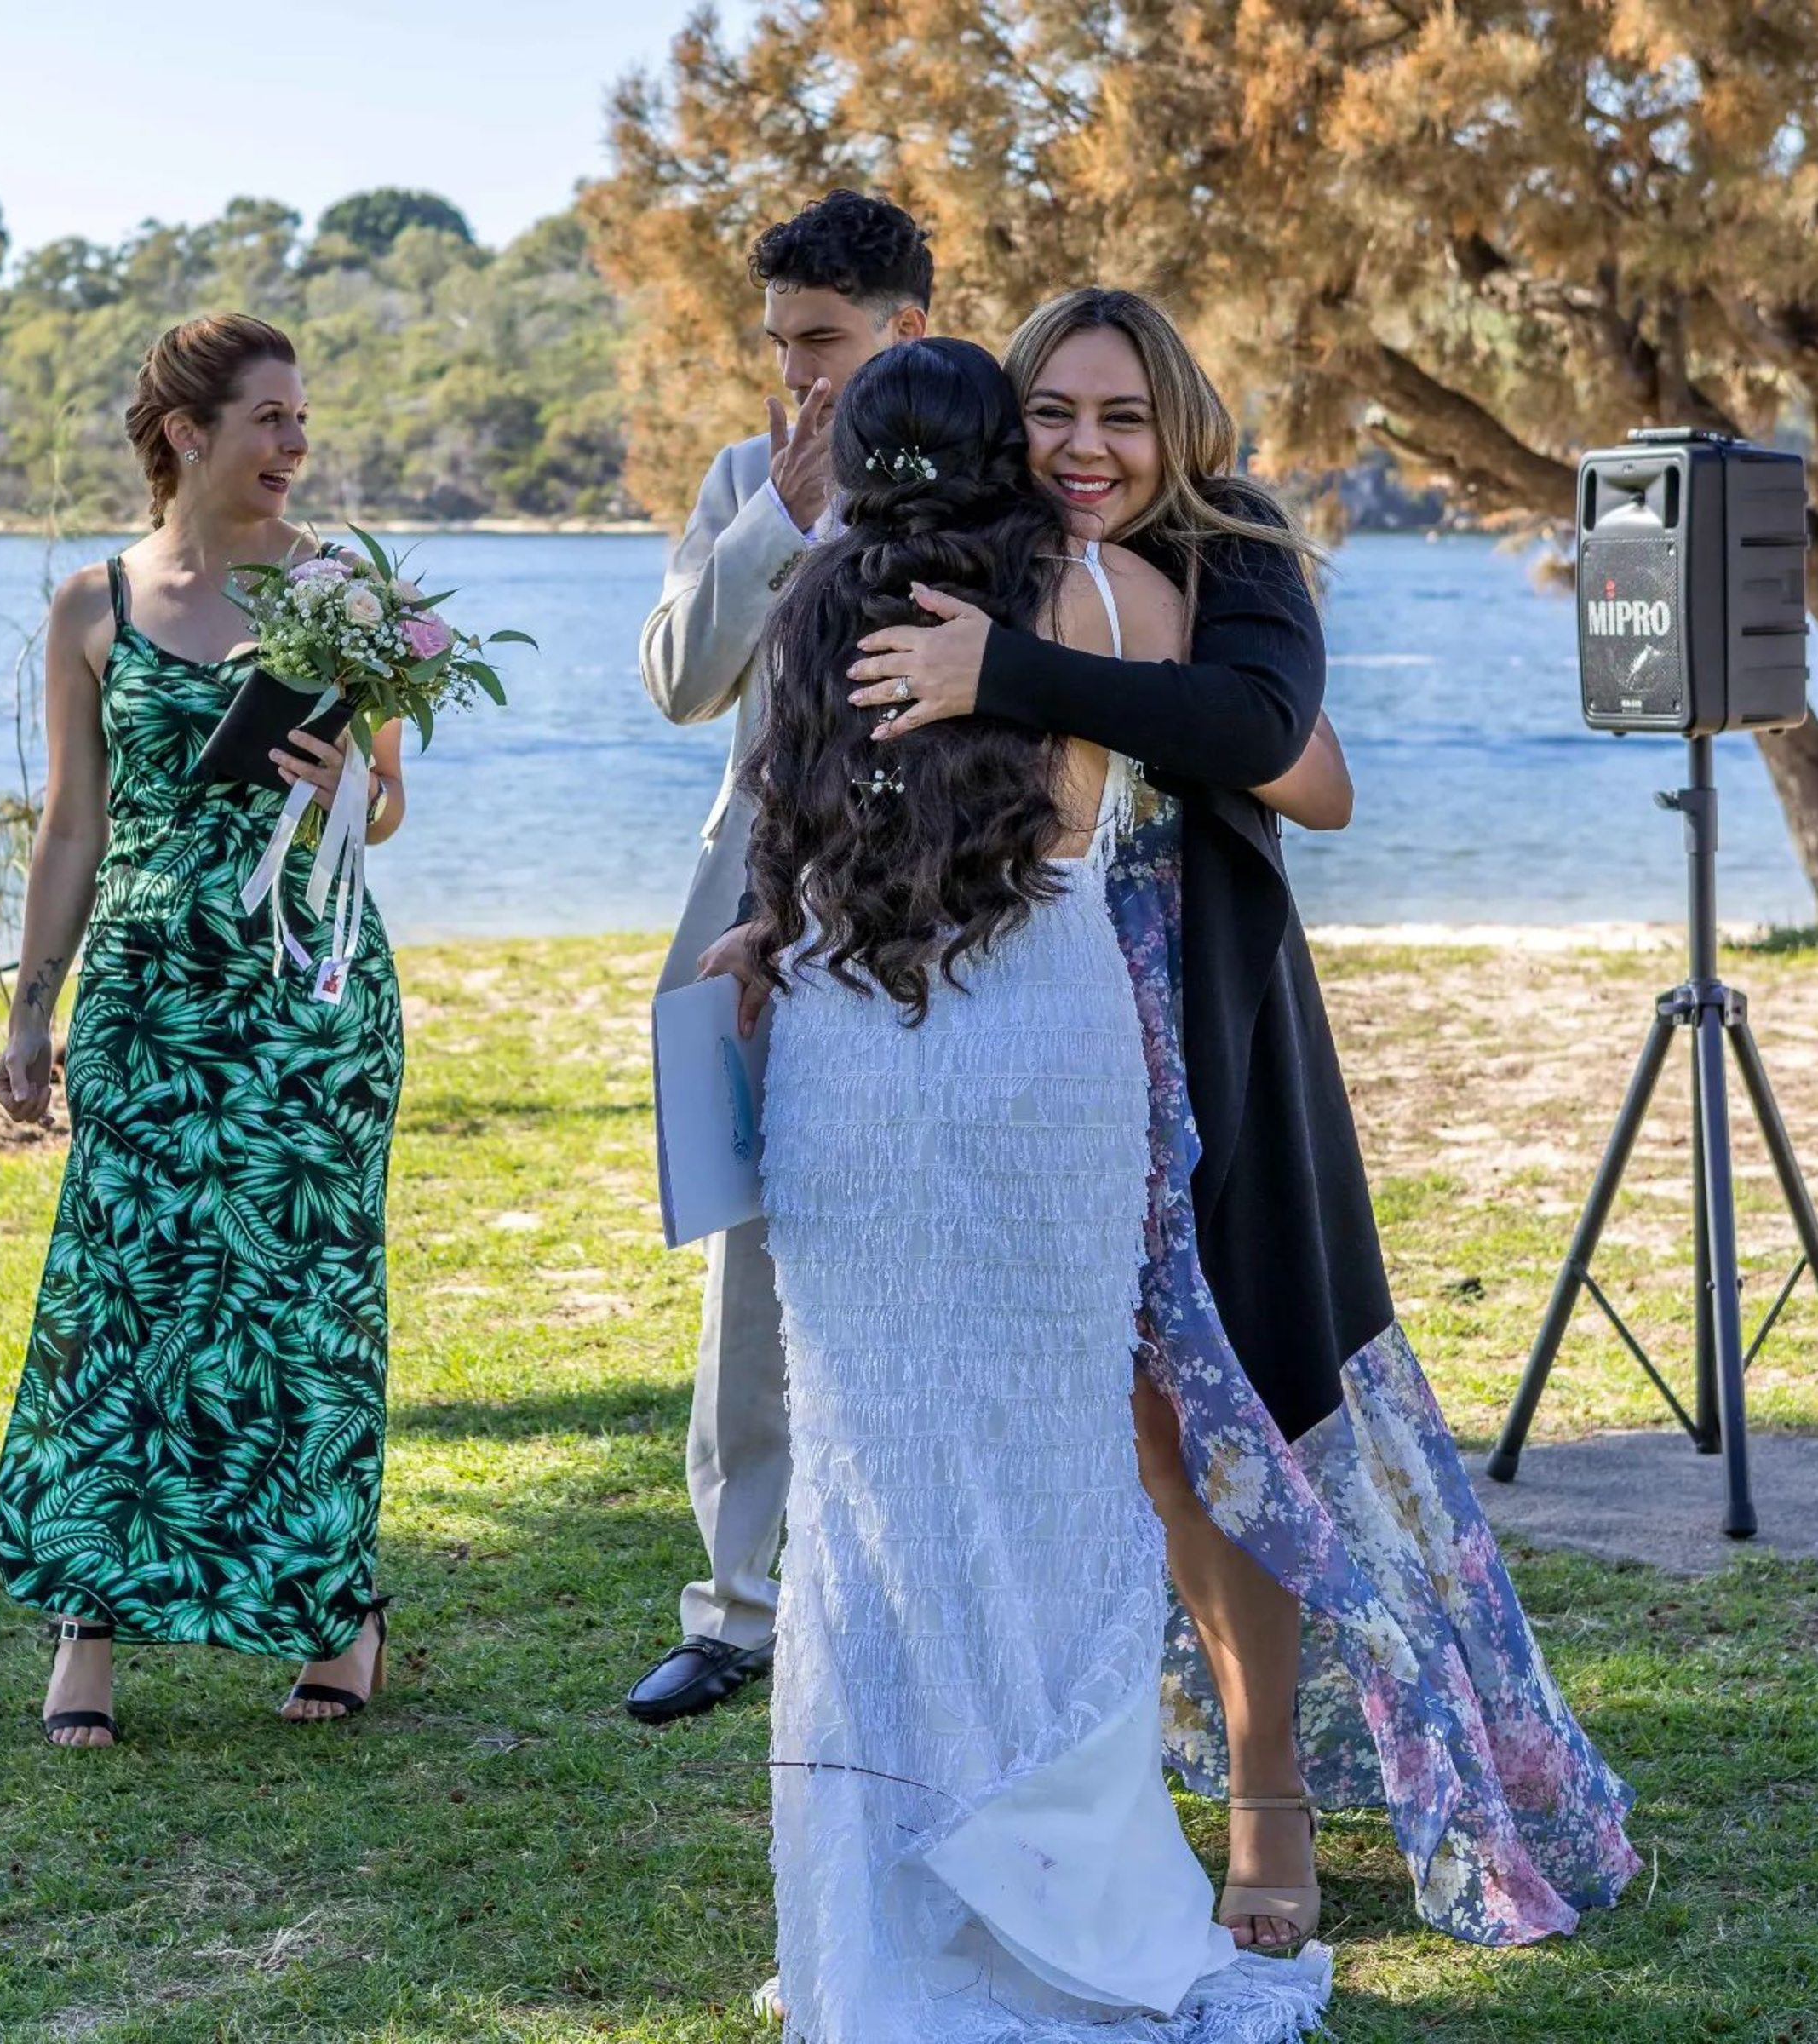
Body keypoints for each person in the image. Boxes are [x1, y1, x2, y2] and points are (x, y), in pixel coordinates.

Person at [840, 288, 1642, 1947]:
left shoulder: (1237, 549)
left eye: (1120, 416)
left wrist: (1015, 669)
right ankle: (1100, 1778)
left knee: (1241, 1426)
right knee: (1114, 1430)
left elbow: (1274, 736)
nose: (1083, 447)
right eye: (1052, 411)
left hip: (1211, 1035)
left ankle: (1269, 1788)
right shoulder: (975, 551)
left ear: (1178, 424)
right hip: (1021, 1040)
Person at [745, 332, 1330, 2044]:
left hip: (847, 1039)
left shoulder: (809, 602)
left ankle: (891, 1899)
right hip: (1040, 1045)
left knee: (874, 1465)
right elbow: (1267, 743)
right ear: (1008, 444)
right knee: (1055, 1453)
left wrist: (764, 934)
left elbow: (780, 832)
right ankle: (1070, 1887)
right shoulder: (1106, 594)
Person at [0, 314, 408, 1745]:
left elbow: (393, 807)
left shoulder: (345, 595)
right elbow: (72, 825)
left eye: (302, 420)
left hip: (307, 992)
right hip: (150, 999)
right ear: (187, 433)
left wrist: (350, 769)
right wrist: (29, 1015)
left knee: (306, 1307)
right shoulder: (92, 604)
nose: (297, 446)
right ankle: (87, 1634)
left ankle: (338, 1616)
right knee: (119, 1306)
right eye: (271, 420)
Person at [628, 190, 932, 1725]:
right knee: (749, 1254)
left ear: (908, 332)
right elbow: (683, 683)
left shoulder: (982, 478)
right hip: (756, 921)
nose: (801, 372)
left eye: (827, 340)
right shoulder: (746, 477)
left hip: (943, 920)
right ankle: (738, 1606)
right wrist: (781, 524)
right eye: (782, 343)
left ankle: (912, 1583)